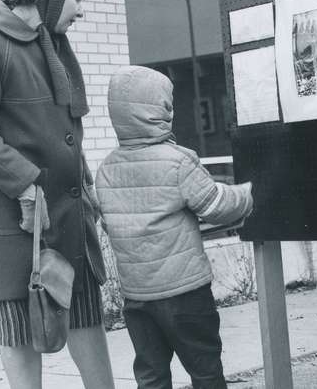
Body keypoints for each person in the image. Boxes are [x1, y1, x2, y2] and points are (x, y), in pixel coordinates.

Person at [0, 0, 115, 389]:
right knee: (22, 336)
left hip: (67, 217)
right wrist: (25, 184)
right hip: (13, 226)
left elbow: (66, 131)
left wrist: (87, 184)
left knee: (86, 318)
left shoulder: (52, 42)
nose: (83, 8)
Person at [95, 65, 254, 389]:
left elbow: (113, 225)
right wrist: (248, 193)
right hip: (185, 293)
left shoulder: (107, 169)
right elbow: (215, 206)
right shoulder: (178, 160)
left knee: (151, 374)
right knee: (205, 368)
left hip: (138, 298)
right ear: (161, 110)